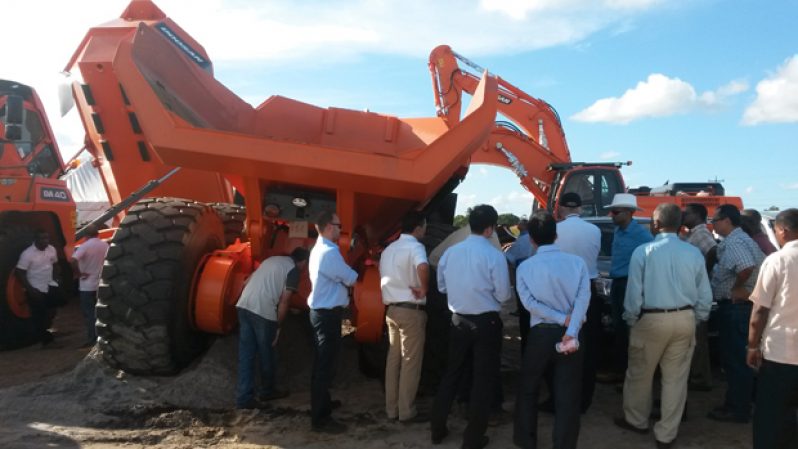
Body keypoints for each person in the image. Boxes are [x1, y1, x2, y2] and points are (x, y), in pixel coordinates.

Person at [615, 203, 712, 449]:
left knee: (640, 374)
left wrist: (631, 319)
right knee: (675, 380)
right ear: (680, 224)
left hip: (651, 319)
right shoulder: (693, 253)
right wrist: (696, 317)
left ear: (655, 224)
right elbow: (704, 293)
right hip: (685, 319)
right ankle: (666, 435)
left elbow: (634, 293)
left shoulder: (643, 251)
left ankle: (637, 421)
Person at [430, 204, 511, 449]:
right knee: (482, 379)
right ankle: (473, 438)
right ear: (490, 229)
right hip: (486, 322)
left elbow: (442, 287)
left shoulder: (450, 253)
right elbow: (504, 294)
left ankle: (437, 429)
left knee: (452, 373)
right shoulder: (494, 256)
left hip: (457, 321)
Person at [513, 210, 590, 449]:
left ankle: (526, 441)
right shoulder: (577, 263)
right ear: (556, 236)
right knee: (568, 394)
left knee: (528, 389)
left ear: (531, 239)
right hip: (572, 335)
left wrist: (561, 319)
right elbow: (583, 299)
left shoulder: (525, 267)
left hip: (540, 335)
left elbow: (530, 305)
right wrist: (571, 326)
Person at [707, 204, 765, 423]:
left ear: (727, 221)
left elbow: (746, 267)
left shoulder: (735, 242)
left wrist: (737, 288)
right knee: (742, 360)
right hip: (742, 307)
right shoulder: (742, 239)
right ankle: (745, 401)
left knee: (736, 360)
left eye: (715, 220)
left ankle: (737, 408)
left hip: (736, 308)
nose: (713, 224)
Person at [747, 208, 798, 449]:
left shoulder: (778, 260)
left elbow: (760, 310)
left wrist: (752, 346)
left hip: (780, 354)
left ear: (784, 231)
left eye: (776, 231)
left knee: (771, 418)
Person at [235, 247, 309, 410]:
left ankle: (243, 398)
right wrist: (278, 326)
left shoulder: (270, 260)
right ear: (303, 262)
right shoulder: (294, 270)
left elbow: (246, 281)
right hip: (262, 311)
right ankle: (267, 391)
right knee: (267, 353)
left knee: (246, 354)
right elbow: (285, 301)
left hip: (243, 305)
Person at [307, 211, 358, 433]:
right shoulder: (329, 253)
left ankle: (323, 402)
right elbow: (351, 278)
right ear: (328, 227)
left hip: (324, 313)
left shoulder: (319, 249)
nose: (341, 229)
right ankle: (320, 419)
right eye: (339, 225)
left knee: (323, 362)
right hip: (327, 315)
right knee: (325, 366)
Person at [552, 192, 601, 413]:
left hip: (561, 291)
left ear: (561, 208)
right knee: (588, 347)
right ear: (580, 209)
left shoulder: (555, 230)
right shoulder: (594, 230)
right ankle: (584, 399)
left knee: (561, 343)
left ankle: (560, 397)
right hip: (588, 288)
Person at [380, 211, 429, 423]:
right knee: (410, 361)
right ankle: (407, 411)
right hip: (411, 311)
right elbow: (423, 266)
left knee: (393, 360)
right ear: (418, 227)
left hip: (391, 310)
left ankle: (391, 409)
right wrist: (424, 288)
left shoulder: (389, 249)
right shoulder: (416, 247)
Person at [604, 193, 653, 382]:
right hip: (618, 283)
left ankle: (626, 373)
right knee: (619, 327)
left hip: (629, 284)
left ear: (629, 213)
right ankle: (622, 371)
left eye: (615, 212)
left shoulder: (642, 235)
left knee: (627, 329)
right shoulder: (619, 230)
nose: (612, 215)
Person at [682, 203, 717, 392]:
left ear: (696, 215)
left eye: (686, 213)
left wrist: (705, 270)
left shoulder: (700, 233)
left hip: (698, 292)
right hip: (695, 291)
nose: (683, 216)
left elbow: (712, 251)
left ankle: (701, 377)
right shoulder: (692, 233)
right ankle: (698, 375)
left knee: (699, 338)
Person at [15, 229, 62, 346]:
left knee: (52, 310)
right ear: (35, 239)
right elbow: (20, 272)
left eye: (47, 238)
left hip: (50, 284)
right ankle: (46, 341)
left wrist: (56, 279)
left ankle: (45, 333)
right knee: (39, 314)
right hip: (36, 288)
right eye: (42, 238)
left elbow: (55, 264)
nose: (45, 241)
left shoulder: (51, 249)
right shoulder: (27, 254)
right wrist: (30, 290)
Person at [70, 225, 109, 347]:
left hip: (86, 285)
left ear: (85, 236)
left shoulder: (85, 246)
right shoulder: (104, 245)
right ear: (97, 234)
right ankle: (103, 336)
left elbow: (73, 260)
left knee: (89, 313)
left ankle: (92, 338)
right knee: (100, 311)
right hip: (100, 283)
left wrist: (78, 274)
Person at [506, 219, 535, 352]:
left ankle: (526, 348)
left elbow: (509, 257)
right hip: (538, 284)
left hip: (524, 282)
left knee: (525, 316)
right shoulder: (535, 238)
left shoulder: (522, 240)